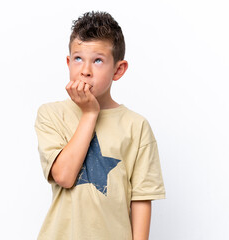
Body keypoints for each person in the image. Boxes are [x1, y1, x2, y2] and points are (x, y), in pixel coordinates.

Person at [34, 11, 166, 240]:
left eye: (97, 60)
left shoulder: (137, 126)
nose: (85, 70)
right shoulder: (51, 114)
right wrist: (90, 113)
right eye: (78, 58)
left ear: (118, 70)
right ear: (68, 62)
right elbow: (64, 176)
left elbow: (141, 200)